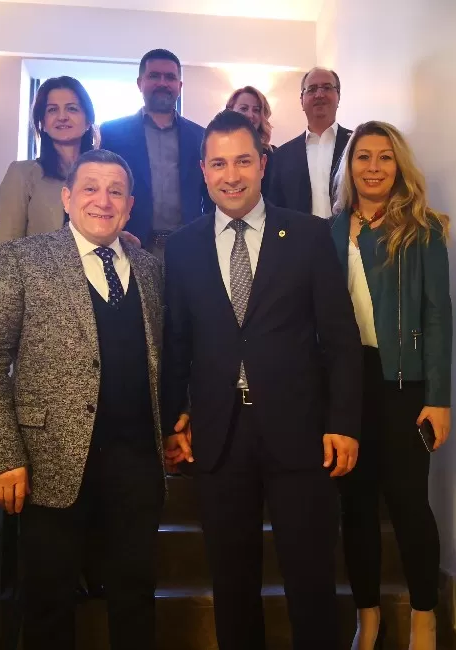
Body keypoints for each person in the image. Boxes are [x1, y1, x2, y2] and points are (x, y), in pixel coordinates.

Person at [162, 110, 363, 650]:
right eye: (219, 163)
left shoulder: (308, 235)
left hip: (301, 434)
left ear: (262, 164)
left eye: (243, 161)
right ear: (203, 170)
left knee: (311, 581)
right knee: (232, 585)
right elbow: (176, 344)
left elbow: (340, 338)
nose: (231, 175)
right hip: (219, 437)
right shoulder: (180, 248)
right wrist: (173, 420)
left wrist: (344, 422)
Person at [0, 150, 166, 650]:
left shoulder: (150, 269)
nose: (103, 201)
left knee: (136, 597)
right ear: (67, 198)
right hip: (48, 463)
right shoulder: (23, 259)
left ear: (130, 206)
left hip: (137, 464)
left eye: (116, 191)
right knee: (49, 605)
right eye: (91, 188)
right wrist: (4, 455)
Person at [329, 121, 452, 650]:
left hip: (404, 384)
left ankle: (425, 616)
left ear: (398, 166)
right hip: (346, 383)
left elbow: (439, 316)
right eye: (363, 156)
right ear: (349, 166)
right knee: (355, 509)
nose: (374, 167)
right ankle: (369, 617)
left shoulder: (423, 229)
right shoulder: (329, 230)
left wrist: (439, 398)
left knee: (408, 504)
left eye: (384, 157)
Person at [100, 48, 213, 257]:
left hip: (189, 246)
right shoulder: (113, 133)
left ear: (179, 86)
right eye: (154, 76)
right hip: (130, 246)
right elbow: (104, 190)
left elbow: (210, 194)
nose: (162, 83)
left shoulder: (200, 136)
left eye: (170, 77)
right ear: (139, 83)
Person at [0, 76, 96, 244]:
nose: (62, 117)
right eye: (52, 110)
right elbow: (7, 248)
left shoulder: (105, 175)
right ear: (42, 122)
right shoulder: (22, 174)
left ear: (88, 121)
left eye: (72, 109)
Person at [267, 67, 351, 218]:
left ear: (338, 96)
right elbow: (276, 209)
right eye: (312, 89)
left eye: (327, 88)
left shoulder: (357, 144)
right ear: (302, 100)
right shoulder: (281, 156)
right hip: (299, 233)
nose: (319, 95)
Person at [226, 85, 274, 197]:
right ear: (230, 111)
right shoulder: (215, 151)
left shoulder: (271, 156)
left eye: (256, 110)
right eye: (244, 108)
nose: (250, 115)